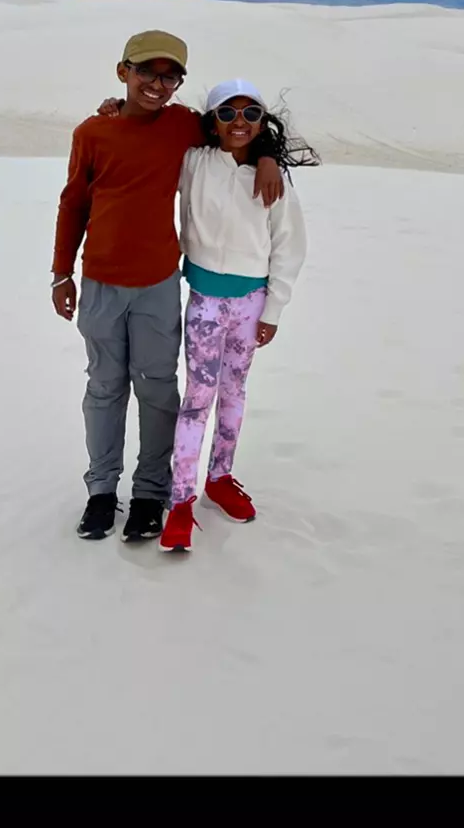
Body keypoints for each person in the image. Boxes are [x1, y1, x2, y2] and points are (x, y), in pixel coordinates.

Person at [53, 31, 284, 546]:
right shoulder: (92, 132)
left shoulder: (182, 126)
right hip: (99, 283)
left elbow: (237, 128)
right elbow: (74, 203)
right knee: (104, 387)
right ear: (123, 71)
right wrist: (61, 272)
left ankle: (151, 493)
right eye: (146, 73)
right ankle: (101, 490)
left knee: (157, 388)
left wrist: (268, 155)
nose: (157, 85)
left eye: (170, 76)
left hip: (158, 284)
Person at [158, 80, 315, 553]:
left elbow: (289, 246)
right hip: (205, 302)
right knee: (197, 398)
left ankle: (220, 477)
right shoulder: (195, 163)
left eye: (251, 114)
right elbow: (159, 130)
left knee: (234, 392)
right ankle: (181, 499)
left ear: (263, 123)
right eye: (227, 113)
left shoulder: (273, 179)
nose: (239, 122)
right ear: (213, 122)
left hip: (251, 305)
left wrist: (274, 309)